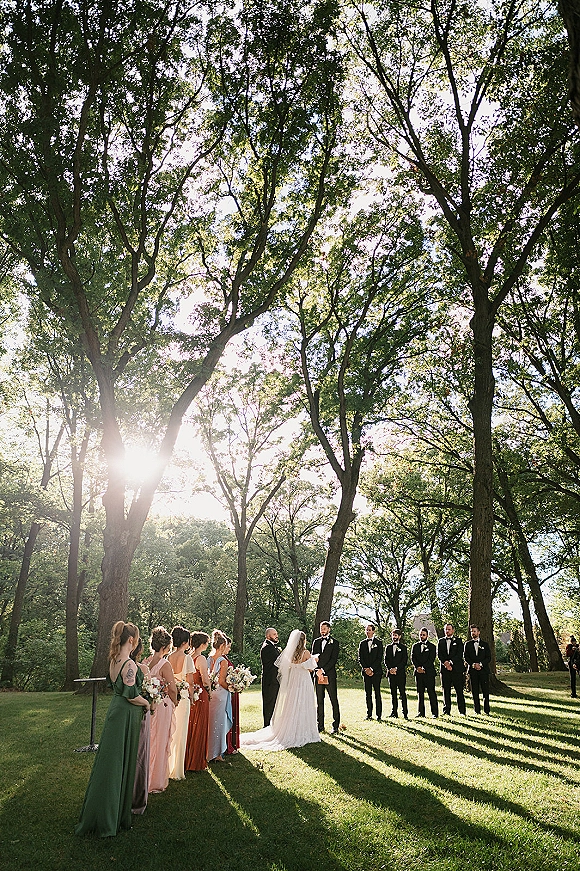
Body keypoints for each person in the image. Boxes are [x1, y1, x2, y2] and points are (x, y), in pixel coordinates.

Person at [75, 621, 150, 837]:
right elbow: (131, 695)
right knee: (118, 762)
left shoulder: (114, 660)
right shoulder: (130, 665)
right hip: (125, 714)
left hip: (115, 712)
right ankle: (110, 817)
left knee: (111, 761)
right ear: (131, 640)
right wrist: (147, 703)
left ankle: (108, 810)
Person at [240, 630, 321, 751]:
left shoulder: (290, 653)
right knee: (304, 702)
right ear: (303, 641)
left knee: (292, 703)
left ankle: (291, 727)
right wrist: (315, 660)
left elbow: (285, 666)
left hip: (293, 681)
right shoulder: (306, 652)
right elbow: (310, 669)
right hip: (303, 681)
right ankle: (303, 730)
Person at [144, 626, 177, 793]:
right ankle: (155, 780)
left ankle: (144, 777)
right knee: (161, 740)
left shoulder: (145, 662)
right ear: (165, 647)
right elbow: (172, 688)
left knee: (148, 740)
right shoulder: (165, 664)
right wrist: (175, 701)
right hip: (162, 706)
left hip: (148, 706)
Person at [167, 625, 195, 780]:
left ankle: (168, 766)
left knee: (172, 731)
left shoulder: (169, 657)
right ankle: (177, 770)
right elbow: (190, 682)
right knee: (181, 733)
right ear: (185, 642)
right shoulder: (187, 658)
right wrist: (192, 697)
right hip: (183, 698)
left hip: (172, 698)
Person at [130, 638, 152, 815]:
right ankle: (137, 799)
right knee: (140, 754)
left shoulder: (119, 664)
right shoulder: (143, 669)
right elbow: (150, 692)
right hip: (141, 712)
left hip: (124, 714)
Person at [185, 631, 211, 772]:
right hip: (200, 695)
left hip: (192, 694)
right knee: (200, 725)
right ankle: (196, 761)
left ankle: (188, 758)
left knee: (190, 725)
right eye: (207, 642)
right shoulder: (200, 658)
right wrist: (210, 691)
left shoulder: (189, 657)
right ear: (202, 644)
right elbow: (205, 680)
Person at [207, 629, 233, 762]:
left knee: (211, 722)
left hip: (211, 693)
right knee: (220, 723)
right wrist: (232, 688)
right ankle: (217, 754)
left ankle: (208, 750)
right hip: (221, 695)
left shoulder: (209, 658)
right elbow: (221, 681)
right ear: (222, 646)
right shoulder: (223, 660)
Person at [312, 621, 341, 733]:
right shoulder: (316, 642)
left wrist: (323, 670)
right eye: (321, 628)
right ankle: (320, 725)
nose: (322, 630)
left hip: (329, 675)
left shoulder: (335, 643)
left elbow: (333, 660)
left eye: (324, 628)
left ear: (329, 629)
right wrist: (317, 670)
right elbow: (313, 657)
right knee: (319, 700)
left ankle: (335, 725)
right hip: (318, 675)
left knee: (333, 699)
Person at [437, 623, 466, 715]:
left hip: (456, 669)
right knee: (446, 690)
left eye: (449, 629)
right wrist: (445, 663)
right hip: (445, 669)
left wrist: (451, 662)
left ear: (453, 630)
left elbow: (459, 654)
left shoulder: (458, 641)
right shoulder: (441, 641)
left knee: (459, 690)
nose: (447, 631)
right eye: (446, 629)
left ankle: (462, 711)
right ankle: (446, 711)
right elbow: (439, 654)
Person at [358, 623, 384, 720]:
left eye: (369, 630)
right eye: (366, 630)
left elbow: (379, 658)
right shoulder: (362, 643)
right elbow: (360, 658)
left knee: (377, 693)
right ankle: (369, 714)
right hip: (366, 672)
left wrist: (372, 669)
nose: (367, 631)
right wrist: (366, 668)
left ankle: (379, 715)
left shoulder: (379, 643)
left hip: (376, 672)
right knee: (368, 693)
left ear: (373, 631)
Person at [411, 627, 439, 718]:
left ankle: (434, 713)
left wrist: (423, 667)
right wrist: (418, 667)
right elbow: (413, 658)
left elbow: (431, 659)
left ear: (427, 636)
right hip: (418, 673)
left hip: (429, 672)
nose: (422, 636)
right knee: (420, 692)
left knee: (431, 692)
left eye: (423, 635)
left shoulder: (432, 647)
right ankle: (421, 713)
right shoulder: (415, 646)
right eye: (420, 635)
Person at [464, 625, 491, 714]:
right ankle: (477, 710)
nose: (473, 633)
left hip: (483, 671)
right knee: (475, 691)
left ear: (479, 632)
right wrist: (473, 664)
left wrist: (480, 664)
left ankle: (486, 710)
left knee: (485, 691)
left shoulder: (485, 645)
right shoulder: (467, 644)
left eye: (474, 631)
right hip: (472, 671)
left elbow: (488, 657)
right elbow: (466, 657)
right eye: (472, 631)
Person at [384, 628, 408, 719]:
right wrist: (390, 669)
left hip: (400, 674)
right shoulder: (388, 647)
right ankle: (394, 712)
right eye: (393, 635)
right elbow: (386, 660)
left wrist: (396, 669)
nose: (394, 637)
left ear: (399, 636)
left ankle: (405, 713)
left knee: (402, 693)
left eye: (396, 635)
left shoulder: (403, 648)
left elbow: (404, 661)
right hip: (391, 674)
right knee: (393, 693)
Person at [260, 627, 280, 727]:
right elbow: (278, 662)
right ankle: (267, 726)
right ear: (268, 636)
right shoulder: (267, 647)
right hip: (270, 681)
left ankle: (272, 725)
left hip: (273, 680)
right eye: (274, 634)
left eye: (276, 634)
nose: (276, 636)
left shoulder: (272, 646)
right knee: (269, 704)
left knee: (273, 703)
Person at [224, 635, 240, 754]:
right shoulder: (221, 660)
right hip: (227, 690)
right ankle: (227, 744)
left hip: (231, 689)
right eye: (228, 647)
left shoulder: (224, 658)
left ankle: (232, 742)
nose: (229, 649)